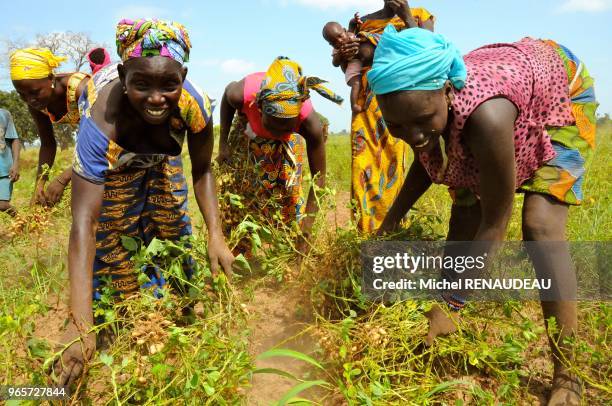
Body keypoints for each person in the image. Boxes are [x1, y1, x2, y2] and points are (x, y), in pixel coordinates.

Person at [368, 26, 597, 405]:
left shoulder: (486, 117)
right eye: (397, 126)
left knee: (540, 228)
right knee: (462, 216)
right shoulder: (421, 112)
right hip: (506, 88)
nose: (413, 135)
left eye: (423, 119)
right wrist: (391, 221)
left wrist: (455, 301)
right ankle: (441, 330)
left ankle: (568, 374)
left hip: (560, 91)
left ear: (445, 91)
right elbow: (426, 158)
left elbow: (496, 220)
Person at [54, 18, 235, 386]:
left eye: (169, 84)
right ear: (123, 74)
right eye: (141, 84)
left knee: (173, 232)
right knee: (114, 241)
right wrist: (79, 325)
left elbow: (201, 171)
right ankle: (111, 325)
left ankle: (182, 313)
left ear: (182, 75)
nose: (156, 99)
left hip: (161, 157)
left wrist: (215, 233)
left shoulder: (194, 105)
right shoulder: (98, 122)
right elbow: (84, 223)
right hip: (115, 164)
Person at [217, 57, 343, 249]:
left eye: (286, 127)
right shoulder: (241, 94)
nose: (277, 133)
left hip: (288, 143)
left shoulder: (309, 124)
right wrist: (223, 144)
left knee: (290, 196)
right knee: (241, 195)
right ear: (260, 108)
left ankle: (289, 245)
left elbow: (319, 179)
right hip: (249, 130)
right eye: (273, 125)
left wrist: (306, 230)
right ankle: (240, 249)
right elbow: (227, 96)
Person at [338, 0, 434, 232]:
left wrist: (408, 17)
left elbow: (429, 51)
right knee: (362, 166)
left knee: (393, 165)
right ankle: (365, 235)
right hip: (366, 103)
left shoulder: (421, 16)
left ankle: (393, 231)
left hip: (401, 101)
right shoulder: (364, 22)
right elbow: (349, 66)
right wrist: (346, 54)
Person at [10, 48, 90, 206]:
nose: (29, 100)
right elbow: (47, 144)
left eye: (34, 92)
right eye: (21, 94)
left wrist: (64, 178)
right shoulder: (37, 104)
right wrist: (39, 185)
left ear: (51, 78)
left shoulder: (80, 89)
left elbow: (103, 138)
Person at [322, 21, 363, 114]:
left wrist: (355, 20)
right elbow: (335, 63)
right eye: (334, 42)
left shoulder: (351, 35)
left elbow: (352, 25)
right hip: (352, 71)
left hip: (361, 64)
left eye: (340, 36)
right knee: (356, 84)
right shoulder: (337, 50)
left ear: (345, 31)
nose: (339, 41)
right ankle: (354, 105)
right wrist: (340, 55)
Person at [0, 108, 21, 215]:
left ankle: (22, 222)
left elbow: (14, 139)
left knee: (2, 204)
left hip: (4, 171)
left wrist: (16, 164)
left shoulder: (4, 114)